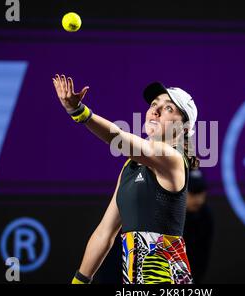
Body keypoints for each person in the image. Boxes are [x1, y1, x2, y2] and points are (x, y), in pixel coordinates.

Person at [52, 75, 199, 284]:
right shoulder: (130, 167)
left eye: (168, 108)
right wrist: (80, 280)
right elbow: (105, 232)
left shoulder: (174, 159)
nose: (155, 111)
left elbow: (118, 138)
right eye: (154, 104)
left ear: (184, 128)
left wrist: (79, 112)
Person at [183, 169, 214, 283]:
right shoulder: (165, 215)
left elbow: (202, 258)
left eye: (200, 192)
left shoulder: (205, 217)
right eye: (193, 192)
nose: (198, 199)